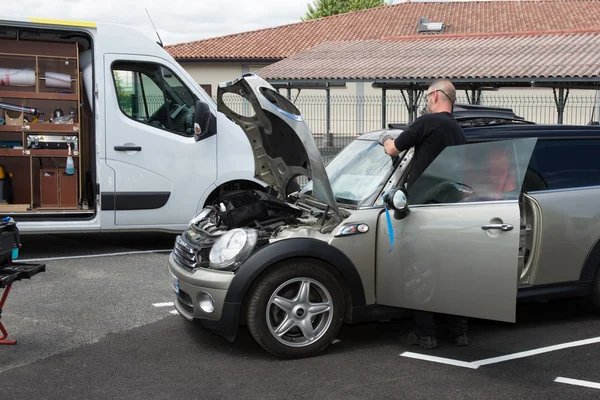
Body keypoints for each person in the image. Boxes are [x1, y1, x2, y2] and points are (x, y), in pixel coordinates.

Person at [378, 79, 469, 349]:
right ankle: (460, 332)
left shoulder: (428, 123)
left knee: (421, 270)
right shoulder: (458, 132)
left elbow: (394, 148)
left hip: (424, 209)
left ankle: (425, 333)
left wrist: (385, 139)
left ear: (438, 96)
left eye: (428, 95)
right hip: (452, 209)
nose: (426, 100)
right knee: (452, 270)